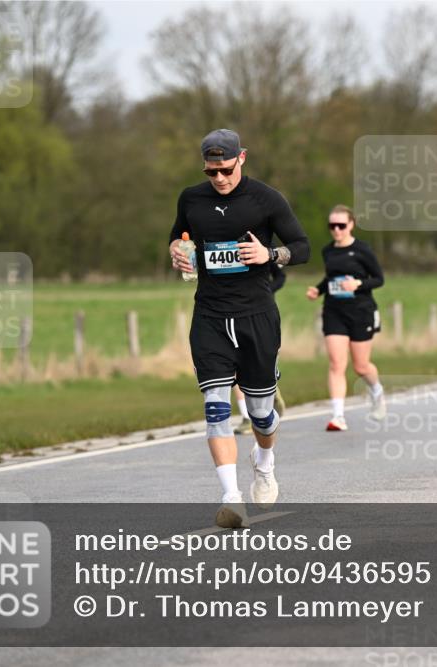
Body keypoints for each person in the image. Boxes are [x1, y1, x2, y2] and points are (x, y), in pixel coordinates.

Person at [169, 128, 310, 529]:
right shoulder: (191, 199)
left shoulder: (266, 199)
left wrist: (270, 253)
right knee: (216, 408)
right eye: (211, 172)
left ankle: (264, 462)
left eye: (226, 170)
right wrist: (179, 254)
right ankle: (231, 499)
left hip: (256, 316)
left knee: (261, 414)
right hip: (210, 316)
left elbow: (301, 247)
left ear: (241, 159)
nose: (220, 179)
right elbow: (177, 237)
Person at [306, 205, 386, 431]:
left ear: (351, 225)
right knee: (336, 364)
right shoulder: (328, 251)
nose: (336, 230)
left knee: (361, 367)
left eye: (341, 225)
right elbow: (331, 278)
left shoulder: (362, 249)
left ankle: (377, 392)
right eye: (332, 226)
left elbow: (379, 279)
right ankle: (338, 416)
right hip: (334, 311)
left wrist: (358, 284)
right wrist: (318, 290)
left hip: (361, 311)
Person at [235, 262, 287, 434]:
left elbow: (281, 277)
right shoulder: (219, 243)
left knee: (259, 364)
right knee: (235, 365)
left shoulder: (261, 242)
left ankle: (271, 390)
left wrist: (264, 291)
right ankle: (246, 417)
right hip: (229, 312)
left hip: (261, 312)